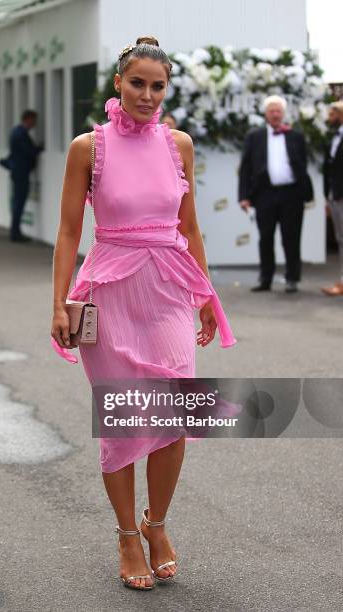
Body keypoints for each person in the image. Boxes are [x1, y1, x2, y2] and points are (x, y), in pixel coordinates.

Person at [50, 36, 238, 591]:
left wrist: (206, 297)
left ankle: (157, 524)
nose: (148, 95)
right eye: (138, 83)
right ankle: (128, 535)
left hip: (169, 288)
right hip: (110, 288)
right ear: (118, 84)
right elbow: (66, 231)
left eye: (158, 86)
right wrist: (58, 303)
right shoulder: (89, 147)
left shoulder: (179, 144)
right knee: (126, 416)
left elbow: (190, 227)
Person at [238, 95, 313, 293]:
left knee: (291, 237)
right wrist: (244, 196)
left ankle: (292, 279)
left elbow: (302, 165)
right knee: (265, 237)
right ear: (265, 114)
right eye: (272, 110)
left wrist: (305, 191)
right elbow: (245, 168)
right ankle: (265, 279)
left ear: (284, 113)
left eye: (278, 110)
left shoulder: (296, 136)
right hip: (264, 194)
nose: (275, 114)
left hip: (291, 194)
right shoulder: (254, 136)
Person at [8, 110, 44, 242]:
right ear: (28, 119)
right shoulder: (21, 134)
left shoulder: (16, 132)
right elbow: (28, 151)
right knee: (19, 201)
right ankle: (15, 233)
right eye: (33, 120)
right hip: (21, 172)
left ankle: (15, 231)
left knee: (17, 201)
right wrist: (38, 149)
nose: (34, 124)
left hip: (18, 171)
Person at [321, 101, 343, 296]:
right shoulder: (335, 137)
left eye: (333, 113)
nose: (330, 117)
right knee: (341, 239)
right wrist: (328, 196)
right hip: (336, 196)